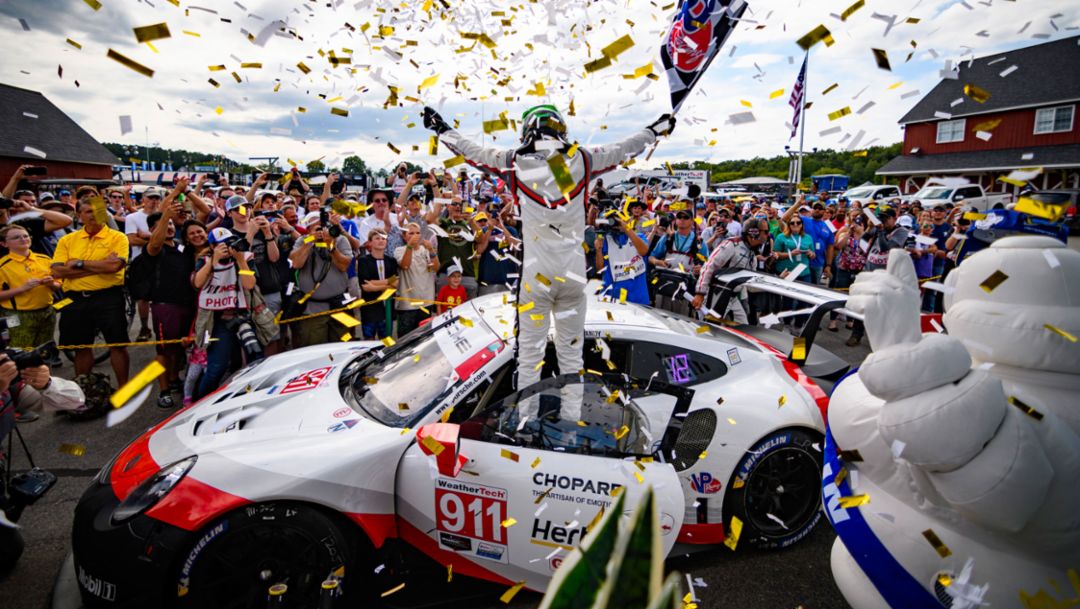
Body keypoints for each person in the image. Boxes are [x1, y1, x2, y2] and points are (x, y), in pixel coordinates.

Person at [424, 103, 672, 392]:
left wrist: (441, 128)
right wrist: (655, 129)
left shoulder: (512, 160)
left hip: (536, 273)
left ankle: (524, 425)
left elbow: (470, 151)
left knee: (529, 358)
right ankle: (571, 422)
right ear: (560, 129)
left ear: (527, 130)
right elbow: (626, 148)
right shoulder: (583, 159)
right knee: (571, 359)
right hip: (574, 273)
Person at [50, 199, 130, 388]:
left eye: (98, 211)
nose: (93, 215)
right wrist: (100, 266)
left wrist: (78, 263)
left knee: (117, 345)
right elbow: (57, 271)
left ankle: (124, 389)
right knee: (81, 347)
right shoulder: (67, 240)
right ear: (79, 216)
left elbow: (115, 266)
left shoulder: (118, 237)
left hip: (108, 297)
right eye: (87, 212)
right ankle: (83, 390)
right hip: (76, 299)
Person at [143, 182, 198, 408]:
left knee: (179, 348)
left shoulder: (181, 246)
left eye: (170, 225)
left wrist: (185, 193)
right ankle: (163, 389)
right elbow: (155, 239)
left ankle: (175, 379)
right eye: (162, 225)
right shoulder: (154, 247)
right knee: (164, 350)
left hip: (187, 304)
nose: (169, 228)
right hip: (166, 306)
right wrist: (165, 213)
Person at [191, 228, 259, 398]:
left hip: (243, 316)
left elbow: (249, 284)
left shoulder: (245, 257)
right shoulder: (205, 259)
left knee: (255, 358)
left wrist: (240, 260)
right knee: (216, 368)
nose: (228, 247)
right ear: (213, 246)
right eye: (223, 245)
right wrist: (213, 261)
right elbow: (198, 283)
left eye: (230, 242)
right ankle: (201, 401)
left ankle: (249, 396)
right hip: (218, 321)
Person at [287, 212, 353, 347]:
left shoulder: (339, 240)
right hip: (313, 308)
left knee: (342, 346)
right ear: (308, 228)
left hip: (338, 304)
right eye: (316, 227)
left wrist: (331, 246)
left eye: (322, 226)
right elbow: (296, 264)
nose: (321, 230)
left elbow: (344, 266)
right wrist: (309, 243)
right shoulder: (302, 240)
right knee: (314, 347)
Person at [692, 219, 770, 324]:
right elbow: (709, 266)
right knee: (709, 328)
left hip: (733, 297)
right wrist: (700, 293)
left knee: (743, 328)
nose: (767, 234)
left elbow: (750, 286)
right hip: (716, 294)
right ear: (753, 232)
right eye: (765, 231)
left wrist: (774, 283)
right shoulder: (731, 244)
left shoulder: (753, 256)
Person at [125, 187, 164, 341]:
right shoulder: (133, 217)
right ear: (143, 200)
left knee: (161, 297)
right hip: (140, 261)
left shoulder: (162, 217)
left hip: (160, 261)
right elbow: (131, 240)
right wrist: (153, 241)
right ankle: (144, 327)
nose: (153, 201)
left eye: (156, 198)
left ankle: (160, 328)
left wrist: (145, 236)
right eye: (150, 198)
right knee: (142, 298)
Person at [394, 222, 439, 336]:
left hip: (426, 302)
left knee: (423, 340)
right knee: (405, 340)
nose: (415, 235)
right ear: (404, 236)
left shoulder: (426, 249)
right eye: (411, 233)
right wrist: (409, 246)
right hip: (407, 305)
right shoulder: (399, 250)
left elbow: (436, 268)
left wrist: (431, 250)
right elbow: (405, 265)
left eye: (418, 233)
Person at [595, 215, 650, 305]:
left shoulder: (638, 237)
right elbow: (600, 269)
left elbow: (644, 251)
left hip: (637, 296)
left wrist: (625, 227)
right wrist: (598, 250)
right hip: (612, 295)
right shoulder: (605, 240)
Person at [356, 229, 398, 340]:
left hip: (387, 307)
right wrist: (389, 283)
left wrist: (375, 284)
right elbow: (366, 286)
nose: (381, 241)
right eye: (377, 238)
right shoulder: (363, 261)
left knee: (386, 342)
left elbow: (396, 282)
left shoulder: (391, 261)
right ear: (370, 242)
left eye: (383, 238)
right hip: (370, 309)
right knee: (369, 342)